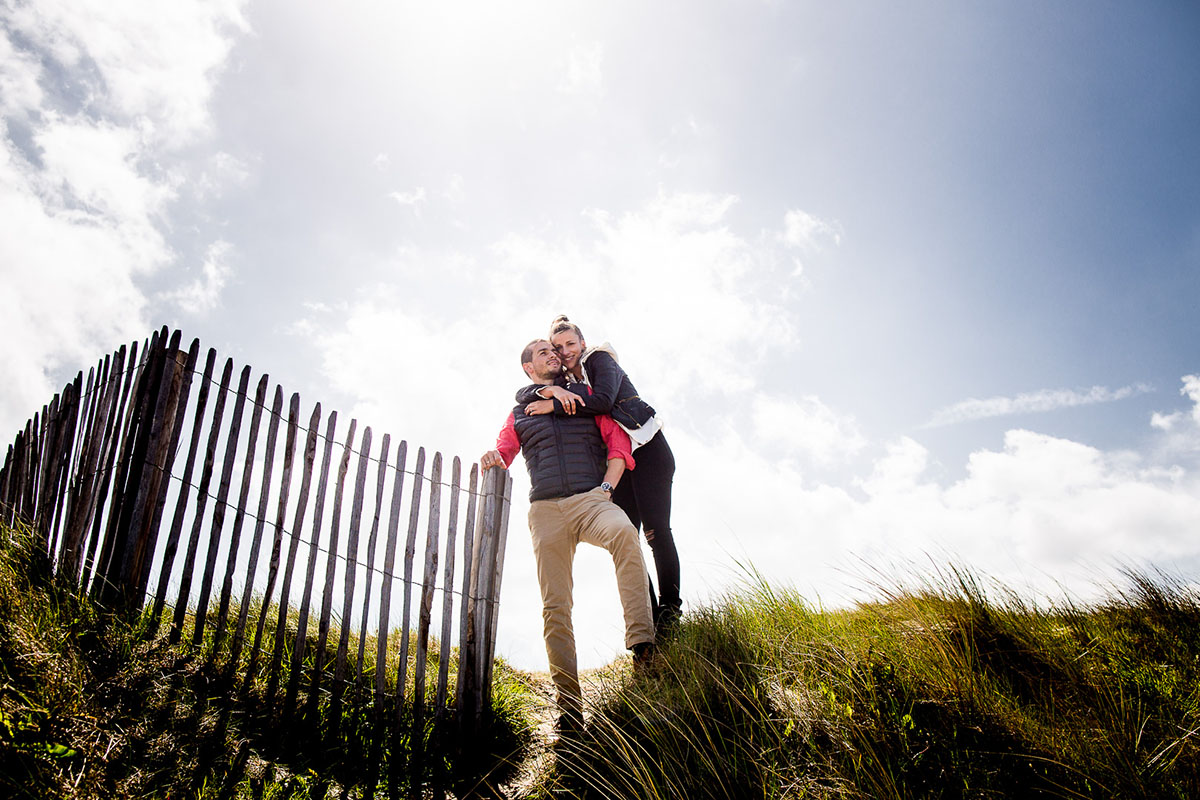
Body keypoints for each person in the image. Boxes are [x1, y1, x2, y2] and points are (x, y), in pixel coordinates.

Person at [481, 339, 654, 732]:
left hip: (590, 501)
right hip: (545, 512)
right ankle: (569, 707)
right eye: (542, 352)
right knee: (555, 605)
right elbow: (504, 449)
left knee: (625, 533)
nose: (552, 355)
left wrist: (606, 490)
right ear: (528, 368)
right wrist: (494, 457)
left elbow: (618, 445)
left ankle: (642, 647)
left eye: (554, 351)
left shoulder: (588, 398)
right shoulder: (520, 412)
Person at [517, 315, 681, 633]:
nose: (565, 351)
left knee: (656, 532)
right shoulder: (567, 384)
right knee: (628, 540)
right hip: (616, 465)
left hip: (647, 452)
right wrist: (549, 394)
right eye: (558, 347)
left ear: (582, 341)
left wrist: (556, 405)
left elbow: (605, 401)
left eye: (570, 344)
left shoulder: (599, 359)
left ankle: (670, 613)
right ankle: (648, 620)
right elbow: (526, 393)